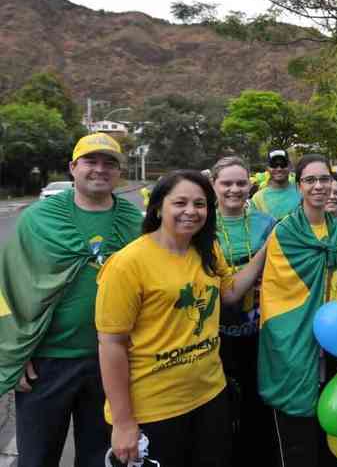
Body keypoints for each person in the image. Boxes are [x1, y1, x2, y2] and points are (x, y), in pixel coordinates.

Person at [95, 170, 268, 467]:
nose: (191, 211)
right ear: (159, 207)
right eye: (180, 203)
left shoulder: (207, 249)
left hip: (211, 396)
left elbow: (229, 293)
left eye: (200, 204)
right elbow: (111, 344)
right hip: (155, 409)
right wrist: (123, 423)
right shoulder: (126, 264)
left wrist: (268, 248)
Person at [0, 133, 141, 467]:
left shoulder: (136, 223)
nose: (100, 170)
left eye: (109, 163)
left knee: (102, 458)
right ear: (72, 168)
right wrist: (13, 354)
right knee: (36, 457)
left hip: (114, 361)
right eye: (91, 161)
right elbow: (7, 286)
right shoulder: (39, 219)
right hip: (47, 361)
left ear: (119, 172)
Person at [258, 154, 337, 466]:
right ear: (299, 187)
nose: (318, 186)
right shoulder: (285, 233)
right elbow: (276, 295)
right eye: (310, 180)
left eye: (324, 179)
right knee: (299, 443)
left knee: (331, 431)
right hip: (297, 343)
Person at [211, 156, 276, 466]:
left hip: (260, 332)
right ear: (214, 186)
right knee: (219, 412)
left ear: (250, 185)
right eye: (226, 183)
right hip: (212, 335)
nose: (234, 189)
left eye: (240, 183)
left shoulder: (266, 223)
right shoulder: (201, 223)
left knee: (257, 406)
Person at [249, 149, 301, 220]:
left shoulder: (301, 192)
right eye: (274, 165)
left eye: (283, 164)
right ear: (267, 167)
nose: (279, 169)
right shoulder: (257, 199)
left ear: (289, 166)